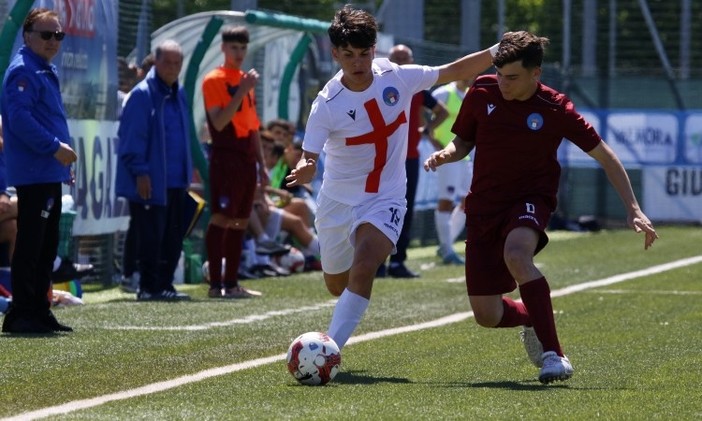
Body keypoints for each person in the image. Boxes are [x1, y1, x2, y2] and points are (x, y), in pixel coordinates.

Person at [424, 31, 659, 384]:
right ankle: (531, 315)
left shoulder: (556, 108)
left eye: (513, 77)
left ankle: (554, 355)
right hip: (485, 205)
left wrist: (633, 208)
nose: (503, 83)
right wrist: (449, 152)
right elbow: (465, 141)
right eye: (500, 74)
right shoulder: (482, 90)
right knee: (486, 315)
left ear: (536, 73)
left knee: (518, 254)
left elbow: (605, 157)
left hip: (530, 200)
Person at [286, 5, 497, 351]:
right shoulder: (326, 103)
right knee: (337, 285)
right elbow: (309, 156)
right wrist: (307, 167)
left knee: (366, 265)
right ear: (335, 54)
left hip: (386, 197)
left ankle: (330, 350)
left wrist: (494, 51)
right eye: (349, 55)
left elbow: (451, 70)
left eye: (364, 53)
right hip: (338, 201)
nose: (358, 63)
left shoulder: (396, 77)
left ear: (374, 50)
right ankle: (339, 319)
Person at [1, 8, 78, 333]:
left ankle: (39, 308)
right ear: (27, 35)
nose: (53, 41)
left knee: (46, 246)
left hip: (48, 171)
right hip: (34, 173)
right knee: (32, 244)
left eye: (58, 35)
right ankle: (21, 313)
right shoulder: (24, 71)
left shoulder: (43, 69)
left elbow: (47, 119)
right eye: (46, 35)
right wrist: (54, 148)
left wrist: (60, 162)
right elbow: (19, 120)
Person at [116, 39, 192, 302]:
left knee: (172, 237)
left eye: (177, 63)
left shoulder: (178, 92)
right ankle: (148, 286)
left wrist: (188, 171)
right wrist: (140, 172)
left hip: (176, 181)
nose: (172, 68)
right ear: (156, 62)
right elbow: (131, 139)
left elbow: (184, 135)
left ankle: (165, 284)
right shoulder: (142, 95)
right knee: (150, 236)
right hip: (151, 181)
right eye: (167, 62)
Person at [201, 25, 265, 299]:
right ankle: (216, 285)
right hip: (226, 158)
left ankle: (232, 283)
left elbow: (253, 127)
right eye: (234, 47)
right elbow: (218, 121)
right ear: (223, 48)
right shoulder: (214, 79)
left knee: (240, 221)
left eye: (243, 48)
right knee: (221, 218)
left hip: (247, 159)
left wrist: (261, 163)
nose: (239, 53)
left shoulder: (244, 79)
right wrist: (241, 91)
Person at [377, 44, 449, 278]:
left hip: (409, 158)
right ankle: (376, 262)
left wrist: (425, 129)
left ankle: (398, 262)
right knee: (377, 209)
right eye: (396, 59)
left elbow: (442, 112)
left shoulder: (418, 89)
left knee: (404, 210)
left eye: (404, 59)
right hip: (381, 159)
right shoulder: (377, 85)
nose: (400, 63)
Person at [430, 78, 474, 265]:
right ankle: (447, 250)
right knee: (446, 201)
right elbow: (427, 126)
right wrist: (438, 148)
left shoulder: (470, 95)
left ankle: (446, 244)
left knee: (468, 202)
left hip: (464, 157)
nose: (471, 77)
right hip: (446, 157)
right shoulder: (443, 93)